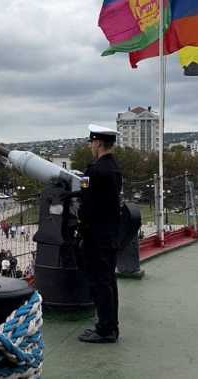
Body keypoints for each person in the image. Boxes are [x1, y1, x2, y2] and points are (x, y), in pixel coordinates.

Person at [76, 125, 123, 344]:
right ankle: (109, 325)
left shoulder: (94, 171)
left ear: (98, 143)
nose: (90, 146)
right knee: (108, 281)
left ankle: (105, 330)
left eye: (91, 143)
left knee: (99, 283)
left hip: (96, 236)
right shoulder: (113, 168)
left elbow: (85, 201)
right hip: (110, 233)